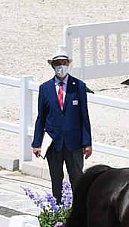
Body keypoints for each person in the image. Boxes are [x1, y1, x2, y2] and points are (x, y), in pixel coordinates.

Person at [32, 49, 92, 205]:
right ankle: (57, 208)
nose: (61, 67)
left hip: (74, 143)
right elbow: (41, 117)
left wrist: (87, 143)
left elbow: (84, 116)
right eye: (57, 64)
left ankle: (78, 209)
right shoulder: (45, 88)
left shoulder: (78, 86)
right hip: (54, 142)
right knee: (56, 178)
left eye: (64, 63)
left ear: (68, 64)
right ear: (53, 66)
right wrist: (36, 143)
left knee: (77, 177)